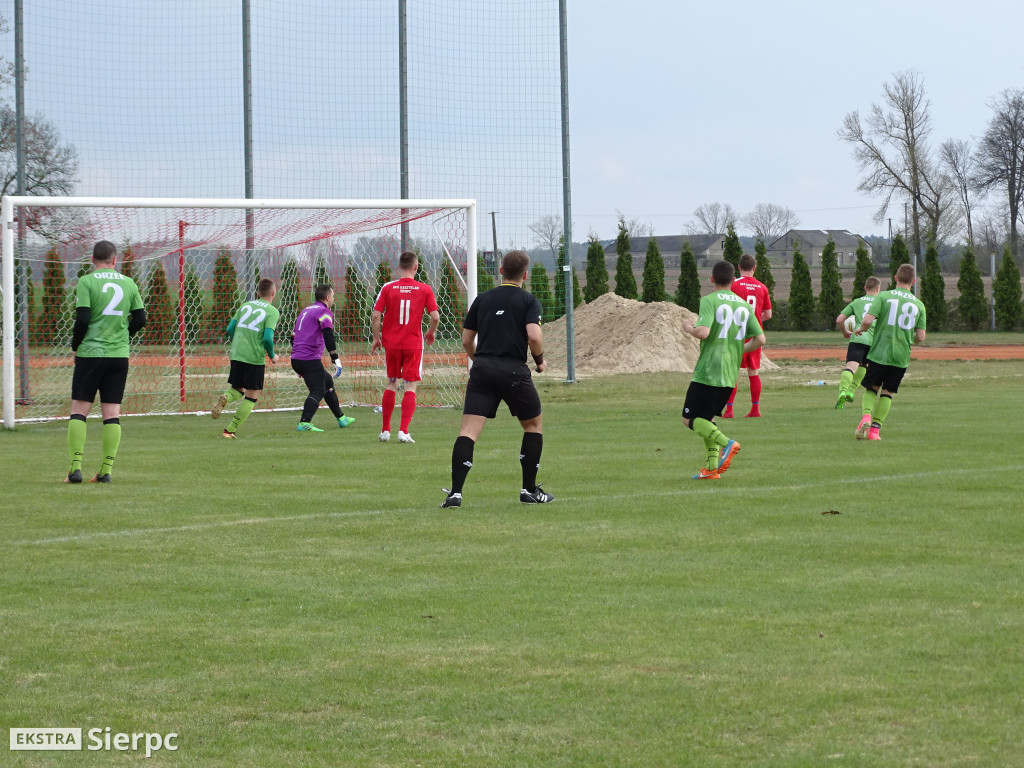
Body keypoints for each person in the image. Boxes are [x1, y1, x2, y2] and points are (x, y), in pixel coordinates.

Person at [440, 250, 553, 508]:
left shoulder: (482, 299)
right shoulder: (528, 300)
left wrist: (479, 360)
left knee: (468, 432)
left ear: (500, 271)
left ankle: (455, 494)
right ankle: (529, 491)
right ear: (525, 274)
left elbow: (467, 340)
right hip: (514, 371)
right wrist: (540, 362)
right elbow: (534, 337)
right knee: (533, 426)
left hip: (482, 371)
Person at [65, 240, 146, 484]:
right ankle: (106, 471)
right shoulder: (129, 283)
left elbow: (83, 319)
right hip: (118, 356)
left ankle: (75, 469)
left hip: (91, 354)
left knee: (80, 409)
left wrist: (76, 346)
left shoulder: (87, 281)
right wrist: (124, 336)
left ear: (93, 259)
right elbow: (141, 318)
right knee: (112, 413)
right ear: (114, 260)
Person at [681, 260, 765, 480]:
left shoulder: (709, 300)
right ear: (732, 280)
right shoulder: (744, 305)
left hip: (709, 370)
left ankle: (727, 443)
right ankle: (711, 469)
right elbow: (760, 339)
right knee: (708, 419)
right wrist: (739, 350)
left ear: (711, 279)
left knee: (689, 419)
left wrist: (688, 327)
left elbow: (703, 332)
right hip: (730, 373)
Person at [371, 250, 440, 443]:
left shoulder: (388, 287)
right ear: (416, 267)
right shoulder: (424, 289)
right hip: (412, 344)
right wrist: (431, 332)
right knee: (410, 384)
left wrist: (376, 338)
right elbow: (435, 317)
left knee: (392, 382)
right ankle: (404, 431)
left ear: (399, 266)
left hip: (391, 344)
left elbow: (376, 315)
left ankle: (385, 431)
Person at [854, 263, 926, 440]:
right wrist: (910, 338)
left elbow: (868, 320)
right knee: (888, 392)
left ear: (895, 278)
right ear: (914, 281)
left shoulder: (883, 297)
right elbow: (921, 337)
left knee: (872, 388)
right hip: (901, 356)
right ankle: (875, 432)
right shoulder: (919, 304)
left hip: (880, 352)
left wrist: (861, 329)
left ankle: (866, 416)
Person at [211, 278, 281, 438]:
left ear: (258, 292)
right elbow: (268, 338)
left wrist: (238, 342)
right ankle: (230, 430)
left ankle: (226, 397)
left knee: (237, 388)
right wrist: (272, 355)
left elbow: (230, 328)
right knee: (251, 397)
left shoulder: (245, 306)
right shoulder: (272, 311)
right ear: (273, 293)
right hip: (253, 357)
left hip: (236, 354)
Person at [290, 284, 355, 433]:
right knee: (318, 390)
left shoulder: (305, 311)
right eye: (332, 295)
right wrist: (335, 359)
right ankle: (304, 423)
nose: (333, 298)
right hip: (309, 359)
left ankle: (341, 418)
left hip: (297, 358)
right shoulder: (324, 312)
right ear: (327, 297)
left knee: (327, 381)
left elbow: (292, 337)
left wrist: (299, 363)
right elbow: (328, 334)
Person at [722, 254, 772, 418]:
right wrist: (756, 321)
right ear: (754, 268)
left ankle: (729, 410)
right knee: (753, 372)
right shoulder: (762, 287)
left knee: (732, 372)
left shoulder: (734, 284)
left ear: (738, 267)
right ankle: (755, 409)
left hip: (736, 334)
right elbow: (768, 314)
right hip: (755, 334)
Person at [833, 276, 881, 410]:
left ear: (865, 288)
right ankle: (851, 391)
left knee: (851, 366)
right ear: (878, 289)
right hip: (874, 341)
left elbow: (839, 320)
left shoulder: (856, 302)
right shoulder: (881, 302)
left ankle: (842, 391)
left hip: (858, 338)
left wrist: (844, 332)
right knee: (864, 366)